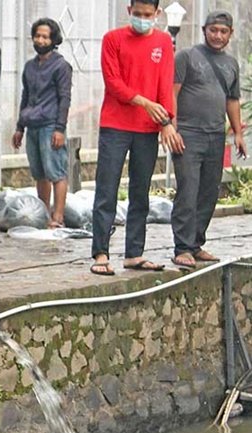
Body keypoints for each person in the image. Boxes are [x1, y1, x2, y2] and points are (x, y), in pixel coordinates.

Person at [90, 0, 183, 276]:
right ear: (129, 11)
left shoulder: (164, 42)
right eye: (137, 14)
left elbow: (165, 84)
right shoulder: (112, 39)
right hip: (115, 125)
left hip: (147, 129)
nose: (142, 19)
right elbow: (113, 82)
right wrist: (143, 101)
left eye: (148, 15)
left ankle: (134, 253)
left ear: (157, 14)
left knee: (140, 193)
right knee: (107, 190)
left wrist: (167, 122)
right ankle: (101, 252)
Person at [170, 11, 246, 268]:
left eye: (223, 31)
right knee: (188, 190)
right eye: (213, 30)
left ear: (230, 34)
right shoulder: (187, 57)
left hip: (216, 135)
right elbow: (172, 93)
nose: (218, 36)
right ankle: (182, 247)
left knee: (209, 192)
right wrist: (172, 127)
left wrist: (237, 133)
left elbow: (232, 100)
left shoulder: (231, 64)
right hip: (188, 135)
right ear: (204, 30)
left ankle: (196, 244)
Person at [12, 19, 73, 229]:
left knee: (56, 171)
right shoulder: (30, 66)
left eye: (45, 36)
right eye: (37, 36)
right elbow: (25, 96)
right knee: (39, 173)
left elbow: (65, 98)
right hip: (32, 125)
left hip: (50, 124)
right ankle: (43, 214)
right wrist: (20, 126)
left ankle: (58, 217)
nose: (41, 40)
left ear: (54, 39)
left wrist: (60, 128)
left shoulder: (61, 66)